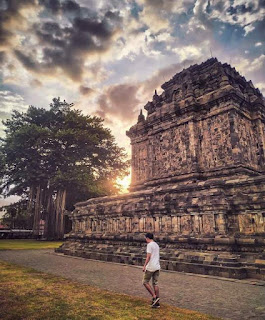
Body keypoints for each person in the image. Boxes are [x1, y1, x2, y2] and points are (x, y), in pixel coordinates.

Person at [142, 232, 160, 308]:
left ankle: (154, 296)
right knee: (155, 283)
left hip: (151, 267)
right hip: (157, 266)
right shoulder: (156, 245)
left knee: (145, 282)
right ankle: (157, 302)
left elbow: (148, 257)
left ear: (147, 238)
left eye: (146, 238)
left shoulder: (149, 245)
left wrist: (144, 266)